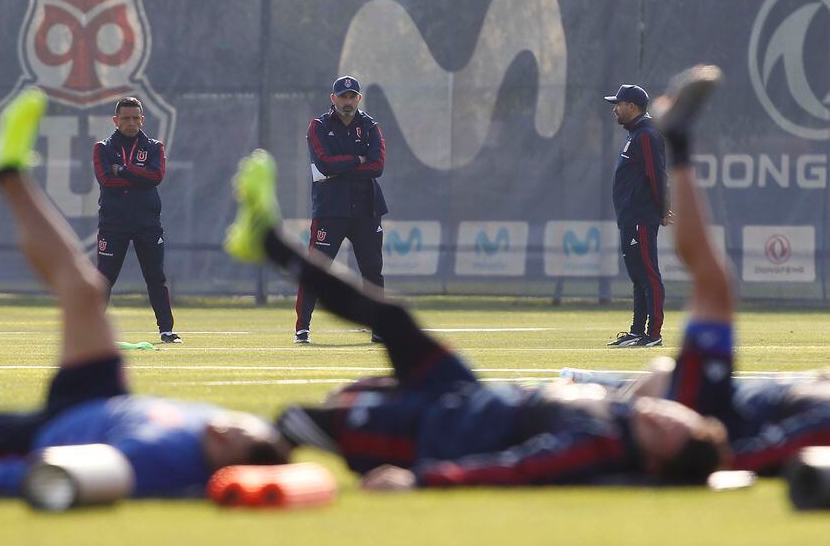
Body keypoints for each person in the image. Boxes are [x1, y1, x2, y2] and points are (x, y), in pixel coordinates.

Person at [223, 148, 729, 491]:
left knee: (293, 423)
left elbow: (520, 468)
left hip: (435, 431)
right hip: (463, 389)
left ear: (657, 460)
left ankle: (195, 473)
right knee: (395, 316)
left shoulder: (597, 447)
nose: (664, 415)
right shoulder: (623, 415)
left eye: (668, 431)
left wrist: (422, 480)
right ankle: (267, 239)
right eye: (676, 416)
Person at [0, 89, 290, 508]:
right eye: (244, 430)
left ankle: (9, 175)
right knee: (87, 288)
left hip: (66, 423)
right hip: (105, 394)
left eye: (232, 447)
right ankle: (6, 167)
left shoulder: (157, 460)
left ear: (223, 472)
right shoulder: (238, 433)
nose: (229, 431)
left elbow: (63, 475)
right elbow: (111, 177)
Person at [620, 65, 830, 476]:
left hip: (711, 417)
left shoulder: (713, 432)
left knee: (713, 286)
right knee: (711, 289)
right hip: (724, 413)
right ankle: (679, 139)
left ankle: (680, 140)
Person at [294, 76, 387, 344]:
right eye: (342, 96)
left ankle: (379, 327)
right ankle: (302, 328)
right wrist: (356, 161)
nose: (347, 102)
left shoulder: (370, 127)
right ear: (333, 99)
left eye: (352, 96)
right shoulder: (319, 126)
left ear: (359, 99)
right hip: (330, 209)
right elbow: (323, 163)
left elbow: (377, 166)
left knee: (372, 270)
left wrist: (341, 167)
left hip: (366, 208)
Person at [93, 96, 181, 344]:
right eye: (125, 118)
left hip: (147, 223)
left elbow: (155, 177)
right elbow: (106, 181)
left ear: (142, 120)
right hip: (113, 224)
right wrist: (136, 177)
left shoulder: (155, 146)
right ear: (115, 120)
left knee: (156, 277)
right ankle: (89, 330)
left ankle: (166, 331)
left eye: (135, 118)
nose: (131, 123)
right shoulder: (103, 147)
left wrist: (121, 169)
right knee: (104, 278)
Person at [605, 84, 671, 347]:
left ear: (631, 107)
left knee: (648, 274)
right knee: (637, 275)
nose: (615, 110)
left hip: (641, 217)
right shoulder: (636, 134)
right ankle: (636, 331)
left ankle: (653, 334)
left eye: (618, 104)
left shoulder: (646, 135)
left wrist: (663, 209)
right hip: (630, 217)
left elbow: (656, 175)